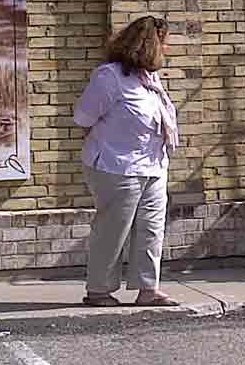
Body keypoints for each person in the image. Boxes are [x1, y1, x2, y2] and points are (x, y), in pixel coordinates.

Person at [73, 16, 180, 307]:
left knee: (151, 228)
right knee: (113, 229)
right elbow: (83, 117)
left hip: (154, 165)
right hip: (116, 165)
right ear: (149, 45)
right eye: (164, 43)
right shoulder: (109, 77)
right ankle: (99, 290)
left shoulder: (149, 78)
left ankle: (148, 288)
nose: (167, 49)